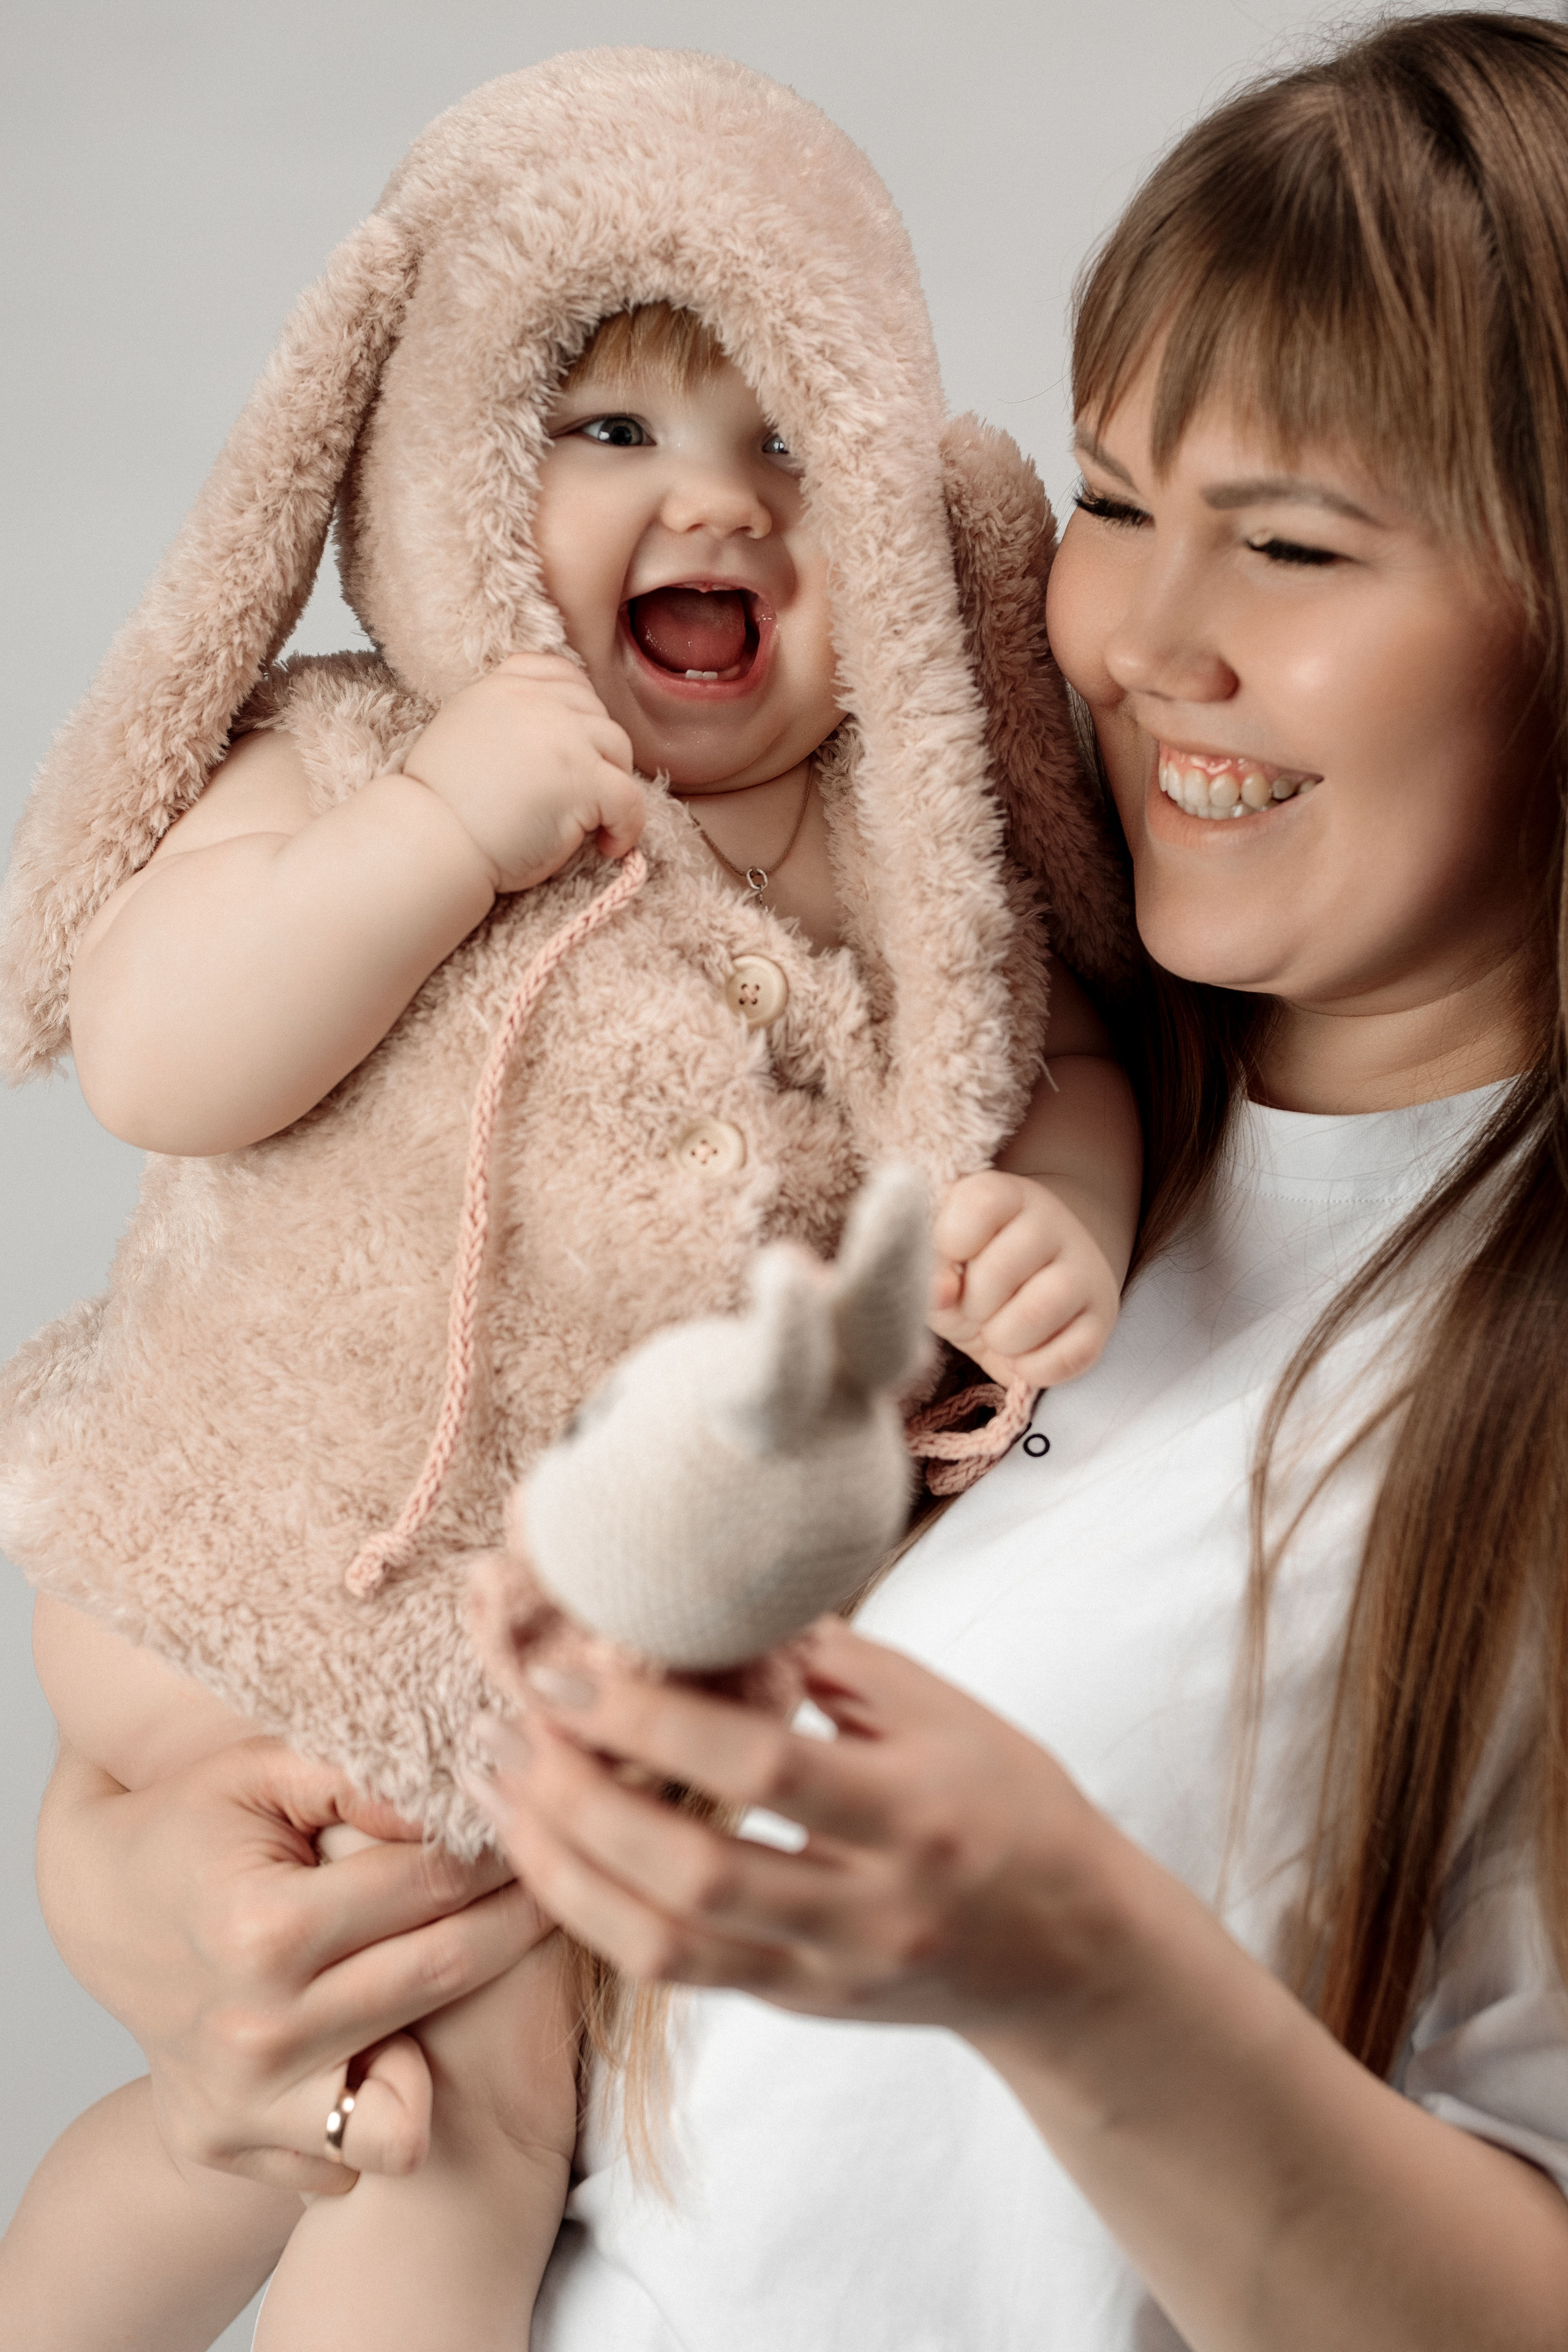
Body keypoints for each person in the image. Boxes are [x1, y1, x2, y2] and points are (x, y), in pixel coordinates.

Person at [0, 47, 1137, 2352]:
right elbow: (159, 1049)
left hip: (538, 1659)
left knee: (325, 2101)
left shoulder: (903, 848)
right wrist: (435, 831)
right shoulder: (341, 747)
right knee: (450, 2093)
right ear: (430, 453)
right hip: (231, 1564)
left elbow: (1062, 1063)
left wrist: (1067, 1225)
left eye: (788, 441)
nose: (707, 507)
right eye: (606, 428)